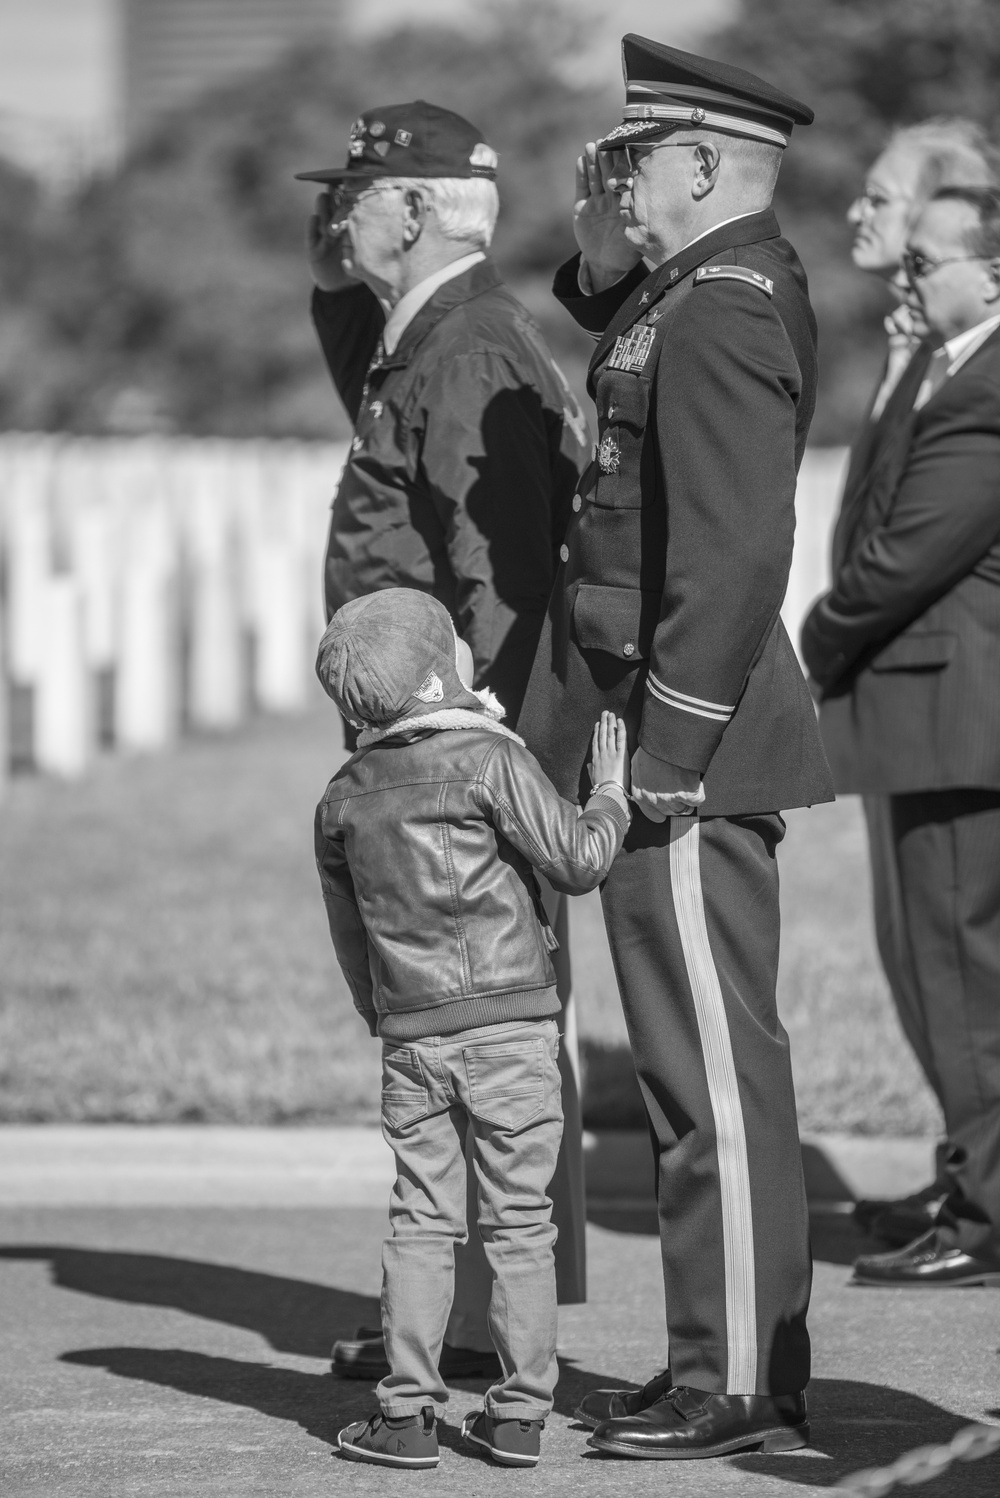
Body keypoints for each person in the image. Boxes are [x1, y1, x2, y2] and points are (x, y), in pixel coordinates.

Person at [517, 36, 833, 1459]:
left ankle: (746, 1377)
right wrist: (600, 235)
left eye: (635, 158)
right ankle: (709, 1348)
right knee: (671, 1076)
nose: (617, 176)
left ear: (702, 164)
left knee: (712, 1070)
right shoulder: (683, 294)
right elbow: (611, 308)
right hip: (645, 724)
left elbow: (733, 547)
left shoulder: (728, 306)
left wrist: (670, 743)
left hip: (679, 740)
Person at [298, 99, 591, 1381]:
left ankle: (476, 1328)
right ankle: (460, 1318)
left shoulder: (468, 344)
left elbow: (504, 577)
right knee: (453, 1034)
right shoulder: (427, 327)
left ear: (412, 211)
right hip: (430, 748)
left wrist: (486, 766)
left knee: (472, 1034)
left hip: (454, 759)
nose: (334, 213)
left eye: (355, 195)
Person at [314, 588, 631, 1469]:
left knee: (420, 1218)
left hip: (411, 1035)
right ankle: (519, 1414)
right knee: (521, 1222)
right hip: (516, 1029)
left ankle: (407, 1416)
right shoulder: (491, 761)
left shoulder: (342, 796)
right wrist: (609, 794)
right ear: (435, 682)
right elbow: (577, 861)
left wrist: (385, 1018)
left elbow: (354, 943)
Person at [802, 186, 1000, 1289]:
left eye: (926, 262)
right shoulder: (945, 368)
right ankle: (970, 1181)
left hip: (954, 714)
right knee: (938, 974)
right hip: (924, 715)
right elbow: (864, 511)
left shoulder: (987, 386)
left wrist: (811, 641)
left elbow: (904, 552)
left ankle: (983, 1217)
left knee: (961, 981)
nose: (906, 280)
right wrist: (888, 376)